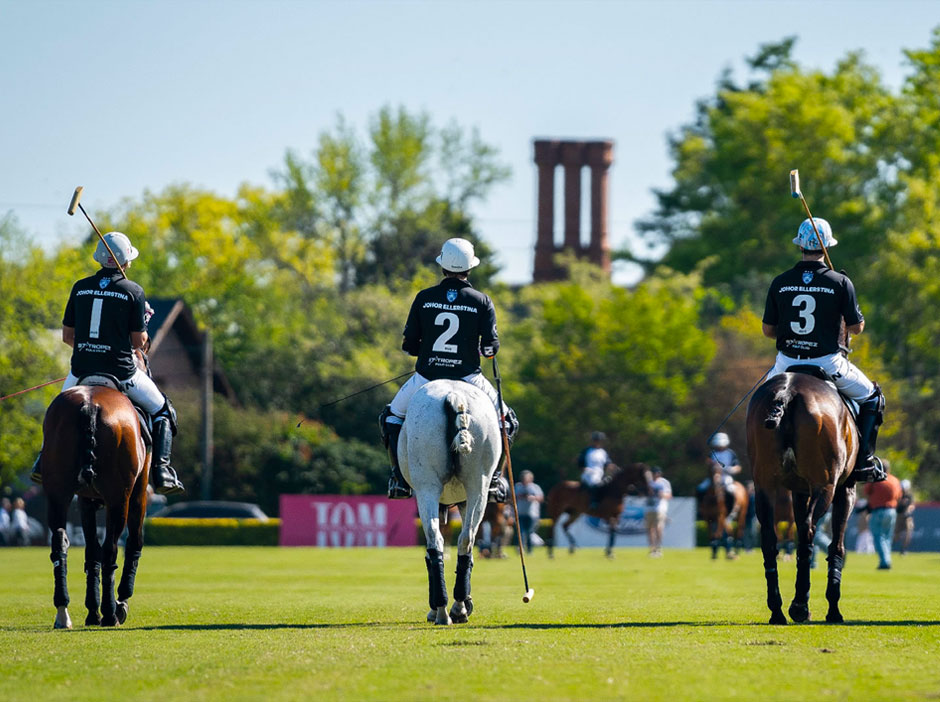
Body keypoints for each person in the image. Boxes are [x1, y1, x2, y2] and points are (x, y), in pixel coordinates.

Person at [29, 232, 184, 495]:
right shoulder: (133, 291)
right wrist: (142, 332)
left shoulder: (80, 287)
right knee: (164, 411)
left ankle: (43, 462)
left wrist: (92, 349)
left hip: (82, 372)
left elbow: (68, 337)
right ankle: (162, 470)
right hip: (122, 373)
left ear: (100, 259)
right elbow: (137, 342)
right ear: (124, 262)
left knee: (56, 413)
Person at [381, 238, 518, 501]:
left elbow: (409, 345)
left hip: (426, 377)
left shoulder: (424, 298)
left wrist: (428, 351)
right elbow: (490, 347)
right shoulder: (482, 301)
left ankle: (399, 480)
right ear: (470, 268)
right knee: (509, 421)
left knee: (390, 418)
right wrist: (482, 349)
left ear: (442, 266)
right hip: (469, 377)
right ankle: (494, 481)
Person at [762, 217, 886, 483]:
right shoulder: (840, 282)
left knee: (759, 401)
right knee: (873, 397)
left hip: (785, 363)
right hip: (827, 362)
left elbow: (768, 331)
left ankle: (760, 456)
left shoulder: (780, 281)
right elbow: (856, 328)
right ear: (826, 247)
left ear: (800, 246)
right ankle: (863, 461)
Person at [865, 461, 903, 569]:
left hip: (878, 510)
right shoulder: (895, 480)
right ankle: (887, 558)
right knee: (887, 537)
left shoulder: (876, 480)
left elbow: (866, 491)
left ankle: (885, 561)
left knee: (878, 536)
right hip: (891, 511)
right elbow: (899, 496)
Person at [696, 432, 740, 511]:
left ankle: (731, 509)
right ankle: (701, 509)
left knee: (731, 490)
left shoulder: (730, 453)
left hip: (726, 477)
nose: (719, 447)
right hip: (712, 477)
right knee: (700, 488)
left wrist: (730, 469)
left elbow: (737, 467)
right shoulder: (712, 453)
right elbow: (707, 462)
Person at [577, 431, 613, 510]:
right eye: (596, 440)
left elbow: (608, 463)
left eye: (599, 440)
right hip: (589, 472)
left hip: (600, 473)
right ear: (593, 441)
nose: (597, 442)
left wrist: (611, 466)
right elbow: (580, 462)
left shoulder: (603, 452)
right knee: (595, 483)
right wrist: (583, 468)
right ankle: (593, 502)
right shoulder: (586, 451)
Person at [645, 466, 672, 557]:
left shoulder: (664, 482)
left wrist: (662, 495)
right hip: (649, 508)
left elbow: (669, 496)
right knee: (650, 529)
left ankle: (658, 548)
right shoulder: (649, 483)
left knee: (658, 528)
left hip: (660, 508)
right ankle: (652, 549)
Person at [514, 470, 544, 553]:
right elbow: (513, 497)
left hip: (532, 513)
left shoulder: (535, 487)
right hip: (520, 512)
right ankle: (521, 548)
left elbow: (541, 498)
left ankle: (530, 549)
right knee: (521, 532)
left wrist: (533, 498)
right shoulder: (518, 486)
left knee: (530, 532)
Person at [895, 478, 915, 555]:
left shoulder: (909, 496)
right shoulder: (898, 494)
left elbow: (912, 505)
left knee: (908, 533)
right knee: (896, 534)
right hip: (899, 516)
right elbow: (895, 504)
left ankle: (903, 550)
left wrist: (908, 510)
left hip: (907, 517)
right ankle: (888, 547)